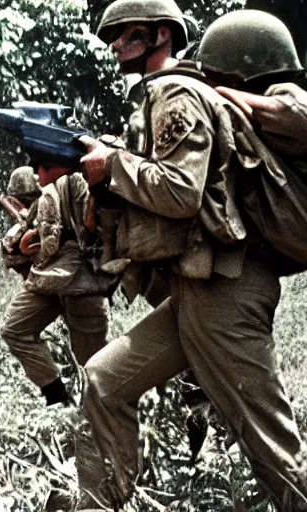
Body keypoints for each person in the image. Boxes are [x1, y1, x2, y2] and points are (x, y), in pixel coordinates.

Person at [74, 0, 307, 508]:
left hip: (226, 290)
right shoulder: (159, 98)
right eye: (111, 36)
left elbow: (181, 192)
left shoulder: (175, 91)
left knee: (272, 449)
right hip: (197, 286)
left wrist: (113, 165)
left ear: (161, 35)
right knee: (104, 382)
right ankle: (102, 501)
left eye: (126, 33)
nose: (114, 44)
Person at [0, 163, 112, 407]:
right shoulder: (32, 215)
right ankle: (56, 396)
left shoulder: (75, 186)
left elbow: (93, 233)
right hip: (49, 283)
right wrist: (24, 243)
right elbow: (18, 259)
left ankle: (102, 423)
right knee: (15, 330)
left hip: (82, 285)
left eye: (27, 201)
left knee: (95, 371)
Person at [198, 9, 307, 159]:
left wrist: (210, 92)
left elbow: (295, 113)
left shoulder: (294, 109)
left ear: (234, 81)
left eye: (212, 76)